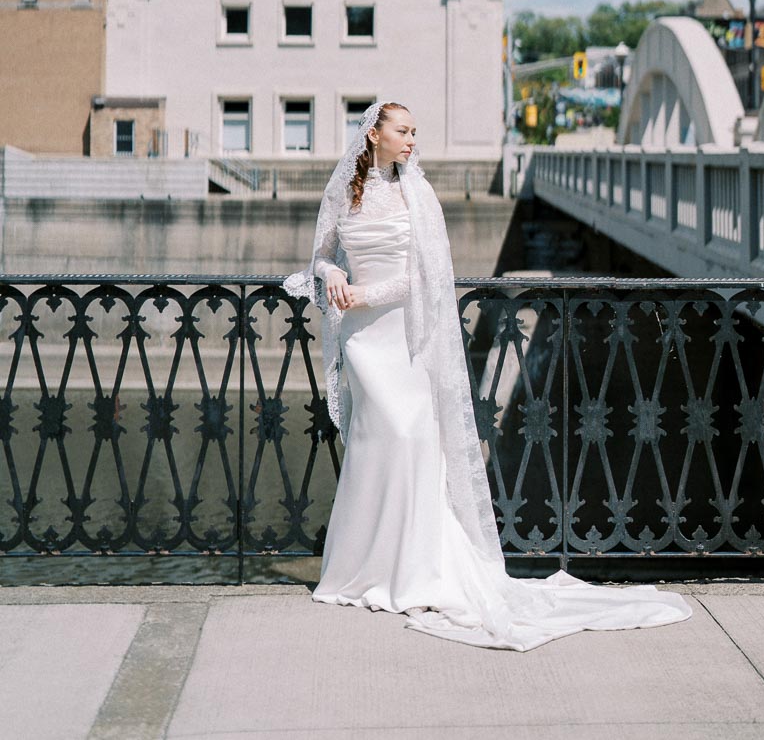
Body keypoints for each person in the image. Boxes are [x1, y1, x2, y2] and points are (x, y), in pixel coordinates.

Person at [284, 100, 691, 650]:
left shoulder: (418, 193)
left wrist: (363, 293)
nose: (411, 141)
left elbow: (425, 277)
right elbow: (322, 255)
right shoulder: (345, 192)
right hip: (362, 341)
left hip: (402, 336)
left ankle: (415, 567)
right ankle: (362, 569)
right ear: (374, 134)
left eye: (414, 132)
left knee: (411, 439)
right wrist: (333, 275)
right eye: (402, 131)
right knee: (373, 444)